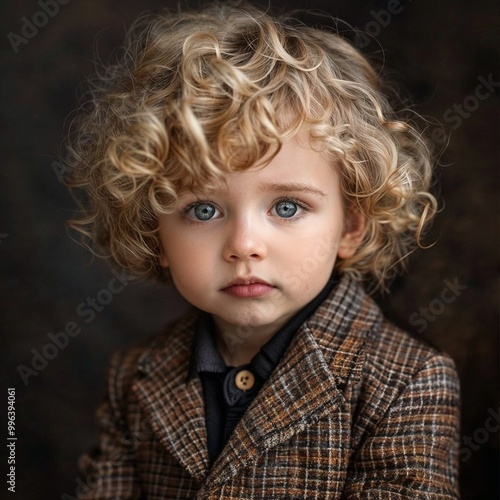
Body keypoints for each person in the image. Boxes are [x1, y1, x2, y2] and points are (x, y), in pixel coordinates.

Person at [66, 2, 460, 498]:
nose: (244, 246)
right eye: (203, 211)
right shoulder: (134, 375)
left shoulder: (407, 382)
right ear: (154, 232)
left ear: (351, 225)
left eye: (288, 207)